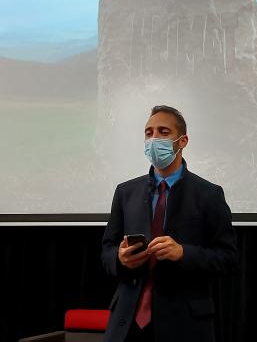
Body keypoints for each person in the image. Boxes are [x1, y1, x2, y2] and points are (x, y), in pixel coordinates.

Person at [101, 105, 238, 342]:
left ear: (182, 141)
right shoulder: (126, 192)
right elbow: (107, 250)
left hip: (184, 324)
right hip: (126, 324)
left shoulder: (208, 194)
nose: (154, 139)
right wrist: (120, 259)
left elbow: (228, 258)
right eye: (148, 133)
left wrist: (183, 253)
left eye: (163, 132)